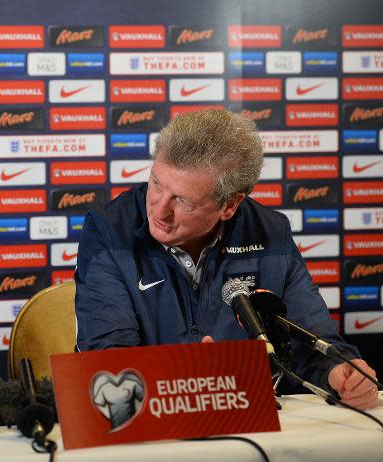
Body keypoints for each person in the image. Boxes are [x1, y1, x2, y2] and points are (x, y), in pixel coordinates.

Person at [75, 109, 379, 410]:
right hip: (147, 423)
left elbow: (313, 339)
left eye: (183, 201)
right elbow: (108, 358)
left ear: (229, 206)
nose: (159, 210)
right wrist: (188, 377)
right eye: (156, 184)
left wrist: (341, 374)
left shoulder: (270, 232)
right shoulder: (108, 231)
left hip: (243, 423)